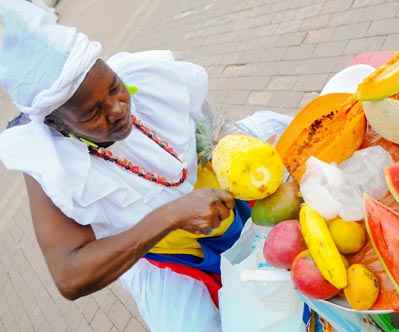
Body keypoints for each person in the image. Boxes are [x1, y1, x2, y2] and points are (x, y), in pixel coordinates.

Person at [0, 1, 251, 331]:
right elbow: (69, 276)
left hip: (225, 198)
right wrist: (171, 215)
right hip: (161, 256)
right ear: (59, 126)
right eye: (92, 113)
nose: (118, 109)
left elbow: (212, 124)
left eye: (115, 87)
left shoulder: (149, 79)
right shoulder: (50, 165)